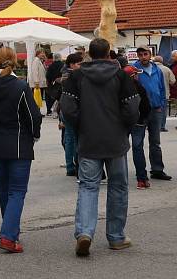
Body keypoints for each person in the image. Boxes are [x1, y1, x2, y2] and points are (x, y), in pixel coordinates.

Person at [60, 38, 141, 257]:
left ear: (89, 53)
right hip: (116, 140)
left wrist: (81, 126)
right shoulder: (121, 76)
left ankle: (85, 232)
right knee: (118, 187)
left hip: (89, 140)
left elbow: (67, 109)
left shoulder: (76, 77)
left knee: (88, 186)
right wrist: (123, 127)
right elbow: (133, 108)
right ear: (108, 54)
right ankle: (116, 236)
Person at [0, 48, 42, 253]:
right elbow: (33, 116)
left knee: (5, 190)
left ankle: (10, 230)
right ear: (14, 61)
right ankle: (9, 235)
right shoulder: (20, 86)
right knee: (17, 191)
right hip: (19, 144)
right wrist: (34, 135)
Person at [131, 48, 171, 180]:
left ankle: (157, 170)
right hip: (140, 112)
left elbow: (161, 88)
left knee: (155, 142)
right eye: (140, 55)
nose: (143, 57)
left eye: (145, 54)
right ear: (137, 56)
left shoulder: (157, 69)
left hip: (155, 109)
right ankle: (141, 174)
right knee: (137, 144)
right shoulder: (134, 69)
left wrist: (160, 104)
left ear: (150, 55)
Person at [55, 53, 83, 176]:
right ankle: (75, 166)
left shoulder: (64, 75)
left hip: (63, 109)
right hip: (71, 109)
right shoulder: (71, 76)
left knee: (69, 138)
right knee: (74, 138)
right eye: (79, 63)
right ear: (72, 64)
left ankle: (70, 167)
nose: (81, 66)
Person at [125, 66, 153, 189]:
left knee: (121, 152)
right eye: (136, 74)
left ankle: (120, 178)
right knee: (138, 149)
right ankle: (141, 179)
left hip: (123, 123)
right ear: (133, 76)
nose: (138, 76)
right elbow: (146, 106)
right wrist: (144, 118)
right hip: (138, 122)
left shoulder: (117, 88)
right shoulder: (139, 87)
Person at [153, 55, 175, 131]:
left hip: (152, 94)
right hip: (164, 93)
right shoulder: (167, 69)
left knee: (152, 110)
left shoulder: (150, 69)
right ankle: (162, 126)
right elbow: (172, 81)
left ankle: (152, 125)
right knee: (163, 110)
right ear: (162, 61)